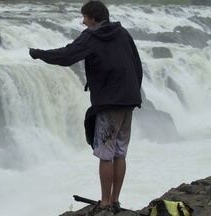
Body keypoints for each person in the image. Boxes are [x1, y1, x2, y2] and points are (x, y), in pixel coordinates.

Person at [29, 0, 142, 214]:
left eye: (85, 18)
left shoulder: (93, 36)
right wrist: (135, 94)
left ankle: (106, 203)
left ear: (93, 18)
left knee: (106, 154)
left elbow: (67, 55)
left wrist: (38, 53)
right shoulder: (123, 33)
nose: (83, 22)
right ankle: (116, 200)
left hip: (109, 103)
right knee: (120, 153)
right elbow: (137, 64)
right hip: (129, 100)